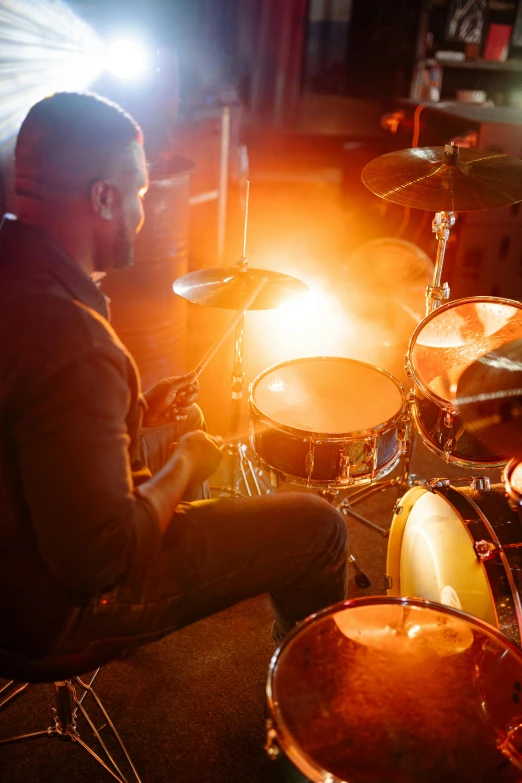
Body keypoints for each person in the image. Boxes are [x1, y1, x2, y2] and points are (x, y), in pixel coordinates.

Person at [0, 92, 348, 663]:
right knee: (320, 527)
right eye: (138, 191)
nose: (144, 209)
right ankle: (308, 718)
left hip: (17, 536)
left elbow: (35, 430)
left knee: (176, 418)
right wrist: (188, 461)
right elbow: (102, 562)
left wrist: (136, 415)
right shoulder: (74, 342)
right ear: (104, 197)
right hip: (47, 611)